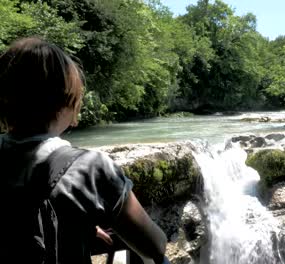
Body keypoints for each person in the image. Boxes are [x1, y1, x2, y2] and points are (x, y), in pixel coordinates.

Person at [0, 37, 168, 263]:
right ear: (62, 104)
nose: (76, 121)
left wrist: (79, 225)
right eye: (74, 103)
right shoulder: (91, 167)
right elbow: (155, 246)